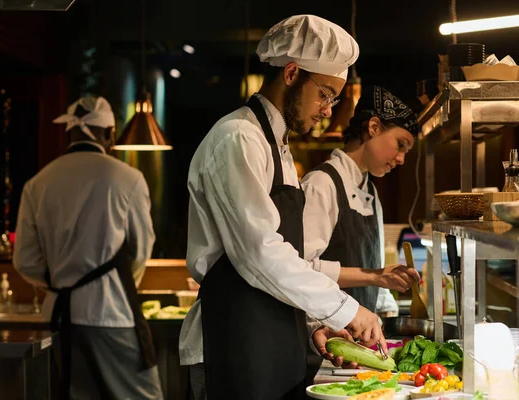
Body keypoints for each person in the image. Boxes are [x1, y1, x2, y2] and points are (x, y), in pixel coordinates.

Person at [180, 14, 388, 400]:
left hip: (271, 339)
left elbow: (289, 257)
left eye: (334, 99)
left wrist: (313, 325)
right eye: (325, 93)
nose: (328, 110)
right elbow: (259, 252)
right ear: (291, 73)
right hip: (230, 341)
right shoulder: (238, 138)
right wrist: (345, 309)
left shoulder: (279, 149)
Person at [13, 97, 163, 400]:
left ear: (69, 133)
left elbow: (25, 260)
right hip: (111, 312)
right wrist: (109, 284)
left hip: (59, 317)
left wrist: (63, 282)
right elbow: (140, 250)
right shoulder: (128, 179)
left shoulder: (38, 182)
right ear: (108, 133)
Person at [301, 86, 420, 322]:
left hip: (361, 332)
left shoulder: (371, 191)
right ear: (373, 127)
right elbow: (301, 269)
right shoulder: (322, 184)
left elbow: (375, 263)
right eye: (400, 144)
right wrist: (373, 276)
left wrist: (387, 312)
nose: (401, 159)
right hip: (322, 334)